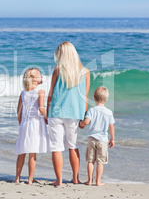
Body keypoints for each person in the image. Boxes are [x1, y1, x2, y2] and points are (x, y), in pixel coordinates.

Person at [46, 41, 90, 187]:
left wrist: (47, 112)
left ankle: (59, 181)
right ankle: (75, 179)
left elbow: (51, 94)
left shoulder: (58, 69)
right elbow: (85, 96)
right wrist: (83, 117)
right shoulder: (85, 71)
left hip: (56, 112)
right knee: (72, 145)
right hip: (74, 113)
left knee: (57, 147)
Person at [14, 68, 49, 185]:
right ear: (34, 78)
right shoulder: (40, 91)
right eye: (40, 75)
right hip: (35, 124)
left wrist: (21, 123)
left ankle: (17, 178)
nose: (42, 76)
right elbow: (41, 108)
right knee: (32, 153)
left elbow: (19, 111)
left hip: (25, 124)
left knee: (22, 152)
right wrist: (47, 118)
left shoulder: (23, 93)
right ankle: (30, 179)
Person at [79, 86, 115, 186]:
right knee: (100, 162)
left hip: (91, 139)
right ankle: (98, 181)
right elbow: (111, 127)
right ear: (106, 99)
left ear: (94, 98)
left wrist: (80, 124)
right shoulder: (109, 112)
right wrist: (112, 139)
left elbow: (86, 122)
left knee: (90, 161)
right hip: (103, 140)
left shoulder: (91, 110)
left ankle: (89, 181)